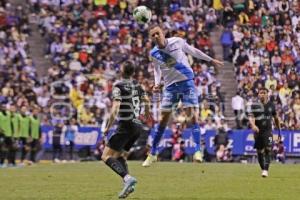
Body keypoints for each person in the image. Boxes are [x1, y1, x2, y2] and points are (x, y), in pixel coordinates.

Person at [142, 25, 223, 167]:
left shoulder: (177, 42)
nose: (156, 36)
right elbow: (157, 70)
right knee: (163, 120)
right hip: (170, 87)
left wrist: (210, 60)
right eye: (153, 35)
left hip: (186, 82)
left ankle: (198, 151)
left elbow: (194, 51)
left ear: (163, 33)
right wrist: (156, 83)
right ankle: (153, 154)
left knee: (192, 117)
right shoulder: (154, 53)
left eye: (157, 33)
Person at [101, 61, 151, 199]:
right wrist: (146, 114)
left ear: (122, 71)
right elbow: (147, 100)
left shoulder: (118, 86)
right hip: (137, 126)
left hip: (126, 125)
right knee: (121, 156)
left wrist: (107, 127)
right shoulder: (138, 86)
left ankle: (127, 178)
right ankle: (129, 184)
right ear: (133, 72)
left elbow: (115, 108)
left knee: (106, 156)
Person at [248, 87, 281, 178]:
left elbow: (276, 118)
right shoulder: (254, 105)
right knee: (259, 152)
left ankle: (266, 170)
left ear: (267, 94)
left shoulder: (271, 105)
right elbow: (251, 117)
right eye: (260, 93)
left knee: (268, 149)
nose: (262, 94)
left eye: (264, 93)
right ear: (258, 94)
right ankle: (263, 169)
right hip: (258, 132)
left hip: (268, 131)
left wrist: (279, 130)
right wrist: (253, 125)